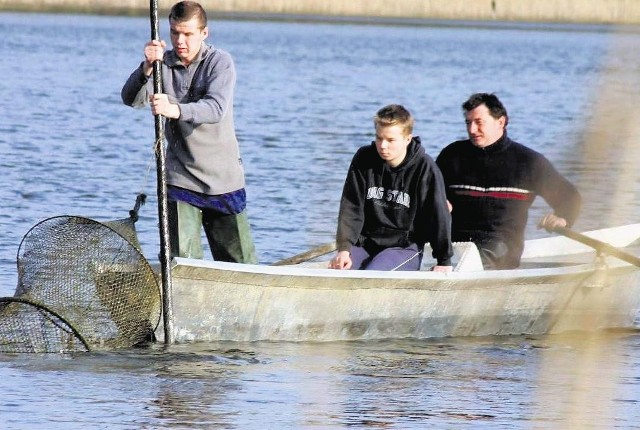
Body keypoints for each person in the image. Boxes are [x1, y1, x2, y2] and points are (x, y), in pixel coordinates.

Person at [121, 1, 256, 263]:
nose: (180, 40)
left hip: (223, 180)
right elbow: (131, 99)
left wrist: (175, 110)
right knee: (181, 262)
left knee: (241, 265)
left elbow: (215, 108)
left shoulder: (220, 63)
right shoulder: (162, 65)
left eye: (188, 34)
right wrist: (147, 67)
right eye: (174, 33)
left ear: (204, 33)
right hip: (180, 180)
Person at [436, 93, 581, 269]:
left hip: (503, 249)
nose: (472, 129)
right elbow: (428, 196)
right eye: (468, 123)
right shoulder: (452, 156)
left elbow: (570, 197)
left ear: (501, 122)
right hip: (458, 247)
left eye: (479, 122)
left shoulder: (528, 162)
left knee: (490, 249)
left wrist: (562, 218)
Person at [329, 104, 453, 272]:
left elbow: (438, 216)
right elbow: (351, 207)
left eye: (390, 140)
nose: (383, 145)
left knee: (372, 275)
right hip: (365, 244)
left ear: (407, 139)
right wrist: (344, 249)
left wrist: (444, 261)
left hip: (403, 248)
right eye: (379, 138)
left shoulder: (425, 168)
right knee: (338, 273)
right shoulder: (363, 158)